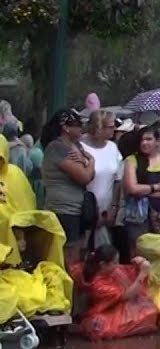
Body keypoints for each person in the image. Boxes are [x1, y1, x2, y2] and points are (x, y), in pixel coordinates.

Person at [40, 108, 95, 263]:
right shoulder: (57, 147)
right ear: (66, 127)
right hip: (63, 208)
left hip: (78, 208)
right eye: (77, 124)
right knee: (69, 255)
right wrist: (91, 161)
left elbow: (91, 174)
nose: (81, 128)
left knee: (78, 252)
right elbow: (84, 176)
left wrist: (86, 161)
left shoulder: (77, 146)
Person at [121, 125, 160, 258]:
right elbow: (131, 188)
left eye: (149, 139)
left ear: (157, 141)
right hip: (138, 215)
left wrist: (145, 192)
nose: (144, 143)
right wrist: (155, 187)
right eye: (142, 140)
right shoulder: (132, 160)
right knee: (140, 251)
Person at [75, 245, 160, 342]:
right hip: (107, 313)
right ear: (103, 264)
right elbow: (127, 295)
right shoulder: (99, 285)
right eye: (115, 262)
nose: (118, 265)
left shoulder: (110, 271)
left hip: (115, 308)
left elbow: (128, 271)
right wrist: (142, 274)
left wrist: (139, 263)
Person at [81, 110, 124, 251]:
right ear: (99, 127)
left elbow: (117, 179)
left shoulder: (113, 148)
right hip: (85, 209)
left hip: (107, 211)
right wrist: (94, 211)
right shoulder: (81, 147)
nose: (114, 130)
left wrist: (113, 208)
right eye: (111, 127)